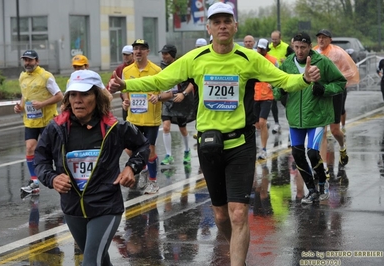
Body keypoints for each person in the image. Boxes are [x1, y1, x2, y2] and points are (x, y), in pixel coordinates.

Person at [109, 3, 321, 265]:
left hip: (241, 145)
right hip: (209, 146)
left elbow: (282, 79)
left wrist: (305, 79)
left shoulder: (249, 58)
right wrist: (126, 84)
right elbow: (160, 81)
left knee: (239, 213)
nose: (222, 25)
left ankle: (237, 261)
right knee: (221, 216)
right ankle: (236, 245)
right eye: (216, 22)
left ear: (235, 26)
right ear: (209, 28)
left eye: (226, 21)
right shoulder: (196, 58)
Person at [33, 70, 150, 265]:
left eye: (85, 94)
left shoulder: (115, 127)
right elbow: (40, 160)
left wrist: (131, 167)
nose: (77, 100)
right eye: (73, 94)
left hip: (106, 206)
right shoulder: (56, 128)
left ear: (97, 97)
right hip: (72, 208)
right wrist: (52, 178)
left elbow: (143, 145)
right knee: (99, 260)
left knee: (90, 261)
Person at [274, 32, 346, 204]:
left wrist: (324, 89)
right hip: (295, 119)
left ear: (310, 46)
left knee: (313, 153)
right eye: (296, 47)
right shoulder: (287, 65)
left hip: (316, 116)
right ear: (292, 45)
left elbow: (340, 83)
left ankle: (323, 184)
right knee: (298, 155)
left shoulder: (322, 62)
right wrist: (281, 90)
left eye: (303, 48)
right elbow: (276, 88)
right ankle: (311, 190)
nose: (299, 51)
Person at [14, 49, 64, 196]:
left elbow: (59, 95)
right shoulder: (22, 77)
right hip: (30, 120)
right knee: (30, 148)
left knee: (54, 151)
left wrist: (42, 104)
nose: (27, 63)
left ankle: (63, 176)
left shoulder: (46, 76)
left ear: (37, 61)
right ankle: (35, 182)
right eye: (25, 60)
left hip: (48, 120)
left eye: (30, 60)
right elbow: (25, 96)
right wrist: (20, 106)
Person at [119, 39, 162, 194]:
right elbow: (124, 89)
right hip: (133, 118)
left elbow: (166, 91)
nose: (138, 51)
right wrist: (125, 100)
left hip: (151, 118)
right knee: (131, 149)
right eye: (135, 48)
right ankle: (144, 170)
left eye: (141, 49)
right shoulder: (127, 70)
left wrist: (158, 97)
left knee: (150, 149)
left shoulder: (156, 70)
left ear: (147, 51)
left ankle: (153, 181)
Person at [314, 29, 359, 176]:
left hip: (335, 92)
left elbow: (350, 71)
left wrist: (334, 79)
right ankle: (325, 167)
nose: (321, 40)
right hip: (320, 93)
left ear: (330, 39)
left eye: (324, 38)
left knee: (334, 130)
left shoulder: (338, 53)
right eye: (319, 38)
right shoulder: (314, 52)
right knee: (322, 130)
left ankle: (342, 146)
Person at [155, 44, 194, 165]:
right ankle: (168, 155)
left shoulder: (182, 66)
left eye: (166, 54)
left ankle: (187, 151)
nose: (163, 56)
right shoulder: (160, 68)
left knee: (182, 128)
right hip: (167, 101)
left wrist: (184, 94)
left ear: (172, 55)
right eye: (162, 53)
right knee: (166, 126)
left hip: (180, 101)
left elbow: (193, 83)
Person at [254, 38, 278, 160]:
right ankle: (264, 127)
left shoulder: (273, 61)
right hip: (254, 95)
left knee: (262, 122)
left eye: (263, 48)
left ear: (266, 48)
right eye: (259, 48)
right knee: (256, 124)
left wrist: (273, 85)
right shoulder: (253, 59)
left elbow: (278, 74)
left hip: (267, 96)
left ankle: (263, 149)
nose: (260, 50)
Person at [268, 30, 295, 134]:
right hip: (272, 77)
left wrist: (287, 61)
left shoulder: (286, 47)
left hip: (283, 77)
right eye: (272, 39)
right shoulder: (269, 47)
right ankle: (276, 123)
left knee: (285, 102)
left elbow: (294, 59)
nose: (274, 41)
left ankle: (291, 122)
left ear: (280, 38)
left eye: (276, 39)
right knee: (273, 101)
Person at [106, 45, 135, 120]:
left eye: (128, 55)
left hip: (138, 99)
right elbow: (110, 83)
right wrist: (105, 93)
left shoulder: (137, 67)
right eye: (124, 54)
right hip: (125, 102)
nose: (125, 57)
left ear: (133, 55)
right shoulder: (120, 68)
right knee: (127, 125)